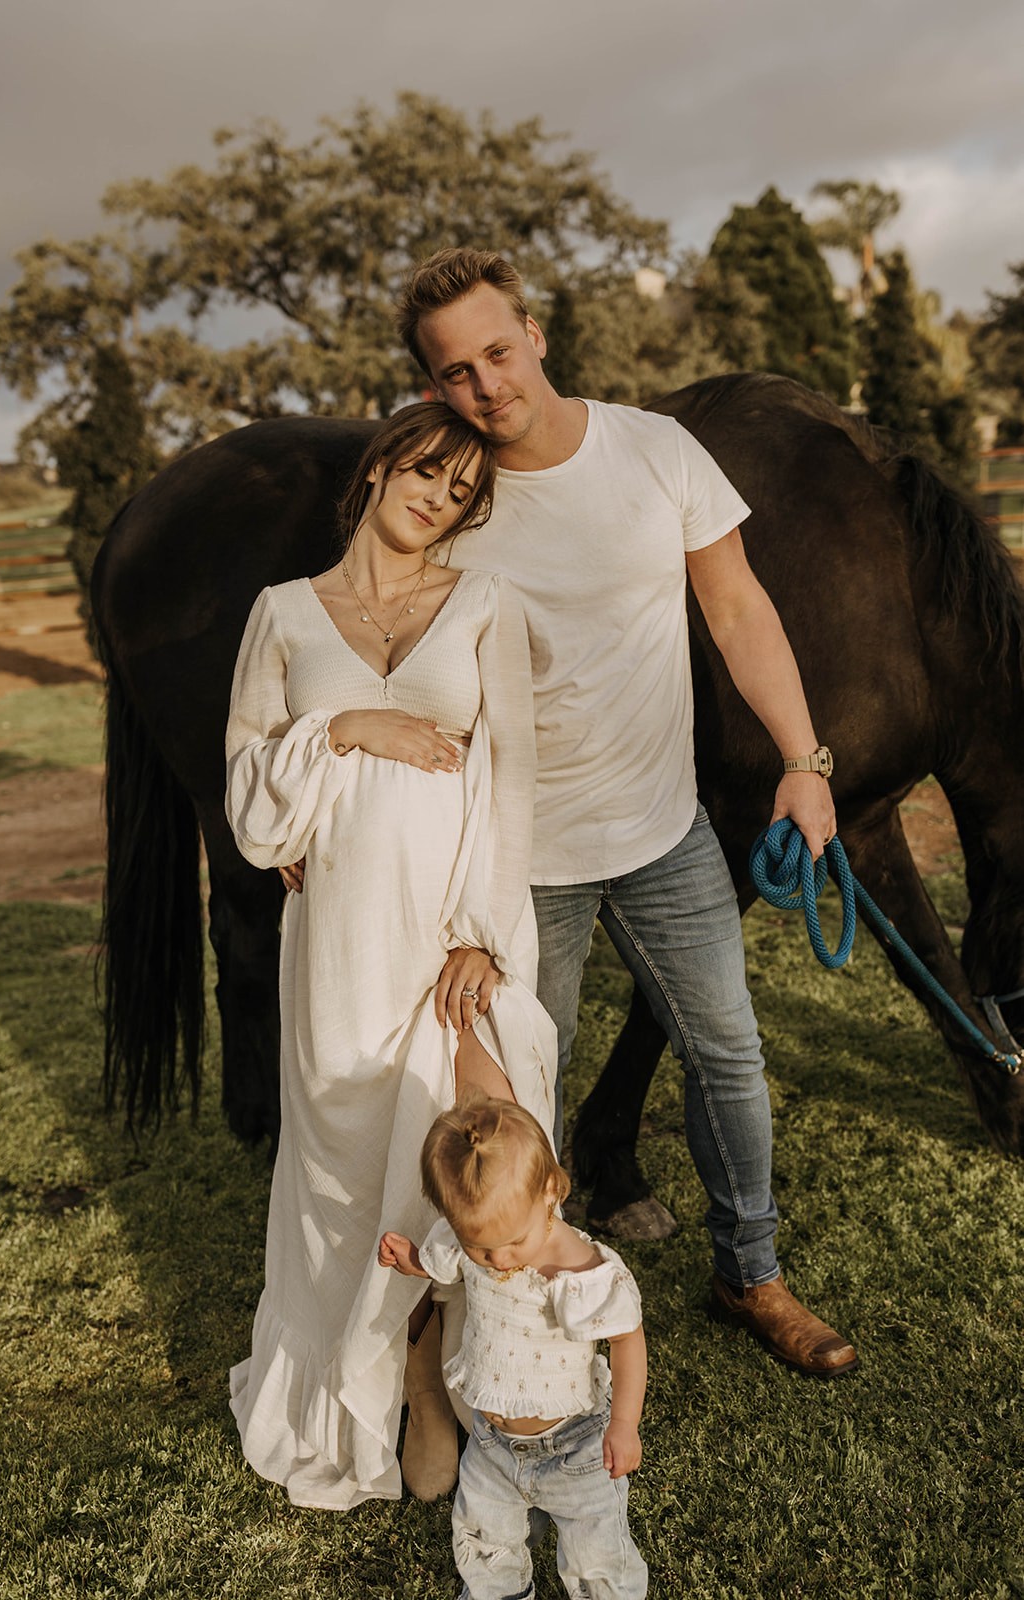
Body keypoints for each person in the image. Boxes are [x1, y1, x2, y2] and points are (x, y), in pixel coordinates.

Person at [391, 248, 858, 1377]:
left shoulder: (655, 450)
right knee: (515, 1099)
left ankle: (749, 1273)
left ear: (535, 335)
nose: (485, 386)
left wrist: (805, 759)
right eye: (454, 373)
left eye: (496, 353)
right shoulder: (446, 496)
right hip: (515, 858)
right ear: (430, 388)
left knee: (729, 1054)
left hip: (662, 831)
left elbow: (736, 606)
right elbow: (385, 660)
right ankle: (516, 1301)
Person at [224, 400, 557, 1510]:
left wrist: (478, 928)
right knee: (342, 1156)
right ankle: (372, 1377)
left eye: (462, 491)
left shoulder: (484, 601)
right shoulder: (280, 614)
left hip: (452, 930)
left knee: (474, 1140)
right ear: (378, 468)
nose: (438, 498)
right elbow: (251, 806)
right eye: (425, 471)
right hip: (339, 940)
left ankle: (440, 1376)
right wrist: (346, 731)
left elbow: (507, 775)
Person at [380, 1094, 648, 1600]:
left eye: (512, 1243)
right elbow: (450, 1263)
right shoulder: (473, 1240)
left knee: (597, 1559)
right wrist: (415, 1259)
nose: (497, 1260)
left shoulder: (580, 1272)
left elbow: (627, 1340)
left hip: (577, 1447)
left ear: (550, 1191)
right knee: (485, 1542)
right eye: (481, 1246)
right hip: (490, 1444)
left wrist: (624, 1425)